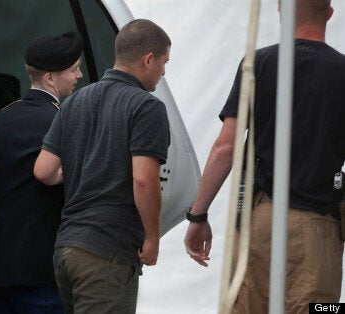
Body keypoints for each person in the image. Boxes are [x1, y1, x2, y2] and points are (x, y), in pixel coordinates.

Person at [184, 0, 345, 312]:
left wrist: (198, 215)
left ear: (283, 11)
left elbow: (225, 148)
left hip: (258, 220)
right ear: (329, 13)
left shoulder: (258, 63)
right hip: (318, 226)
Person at [34, 19, 171, 313]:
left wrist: (89, 165)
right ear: (148, 59)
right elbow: (144, 180)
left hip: (67, 248)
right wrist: (153, 238)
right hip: (107, 250)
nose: (163, 71)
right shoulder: (147, 107)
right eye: (163, 63)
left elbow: (44, 170)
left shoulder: (74, 101)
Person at [0, 31, 84, 314]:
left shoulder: (4, 116)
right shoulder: (63, 118)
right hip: (42, 260)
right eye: (73, 69)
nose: (80, 76)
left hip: (1, 258)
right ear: (50, 77)